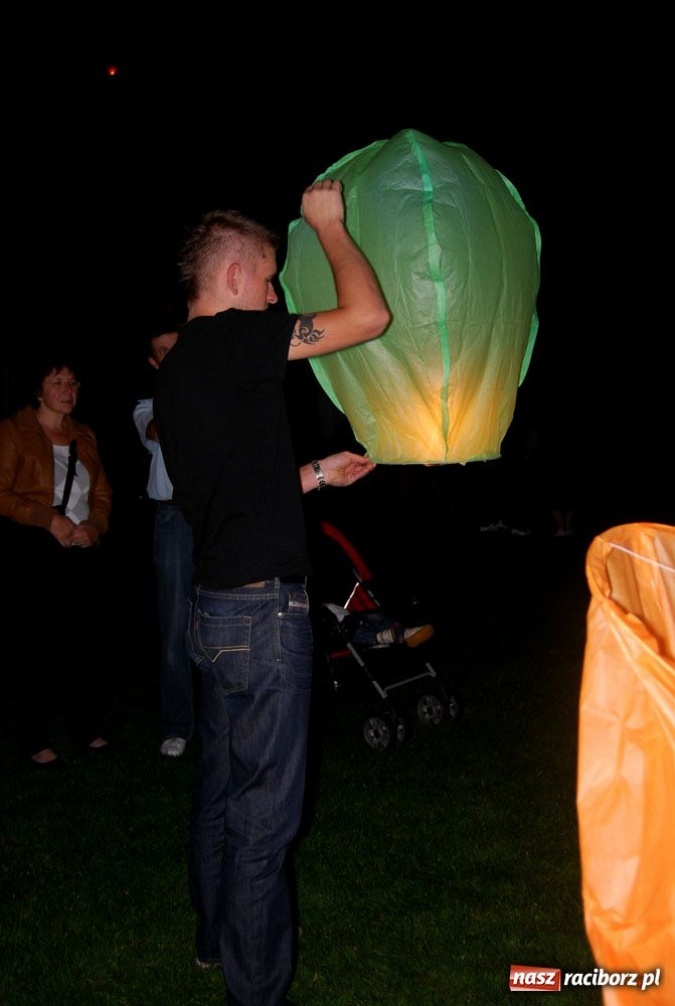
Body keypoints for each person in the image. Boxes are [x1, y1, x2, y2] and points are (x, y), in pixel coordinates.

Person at [154, 180, 390, 1006]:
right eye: (266, 281)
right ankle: (258, 993)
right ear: (232, 279)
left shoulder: (183, 367)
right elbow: (368, 318)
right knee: (265, 820)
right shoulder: (229, 342)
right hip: (259, 616)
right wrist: (326, 226)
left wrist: (320, 473)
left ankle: (214, 938)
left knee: (221, 788)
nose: (274, 296)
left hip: (215, 611)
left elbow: (236, 489)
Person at [0, 357, 112, 766]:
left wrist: (95, 526)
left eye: (73, 382)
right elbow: (2, 493)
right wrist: (49, 519)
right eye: (58, 382)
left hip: (79, 552)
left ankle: (84, 729)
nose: (68, 390)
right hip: (34, 549)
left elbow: (101, 494)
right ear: (39, 390)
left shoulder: (85, 434)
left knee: (76, 644)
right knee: (36, 646)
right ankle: (34, 739)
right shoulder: (14, 431)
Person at [133, 327, 197, 758]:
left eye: (176, 347)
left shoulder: (216, 389)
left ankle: (223, 718)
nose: (170, 356)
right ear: (154, 364)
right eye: (162, 353)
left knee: (221, 619)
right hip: (173, 517)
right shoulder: (147, 406)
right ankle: (176, 725)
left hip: (215, 514)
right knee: (175, 626)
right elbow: (156, 430)